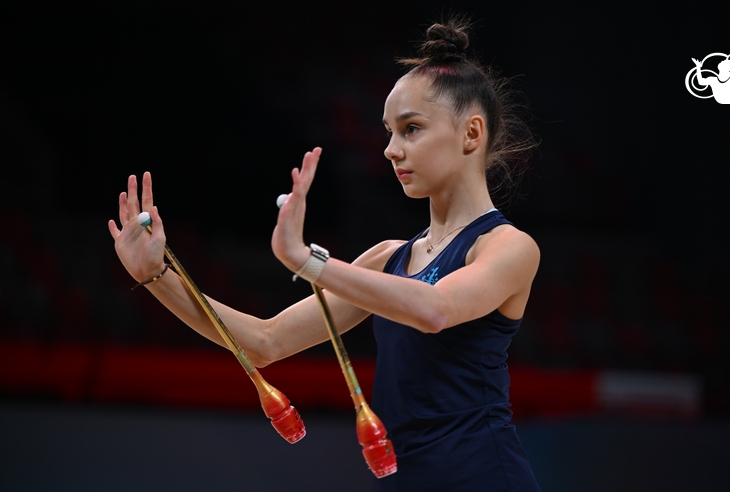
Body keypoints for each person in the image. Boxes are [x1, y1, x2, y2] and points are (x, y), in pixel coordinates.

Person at [109, 17, 541, 492]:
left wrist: (307, 261)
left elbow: (435, 308)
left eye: (411, 129)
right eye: (389, 132)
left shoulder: (507, 247)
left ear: (472, 134)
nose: (391, 150)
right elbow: (264, 342)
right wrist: (158, 278)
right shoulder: (387, 259)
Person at [692, 5, 730, 104]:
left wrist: (698, 67)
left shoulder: (724, 79)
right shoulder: (717, 79)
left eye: (727, 61)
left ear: (729, 69)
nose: (724, 59)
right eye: (728, 60)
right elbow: (700, 82)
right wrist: (698, 67)